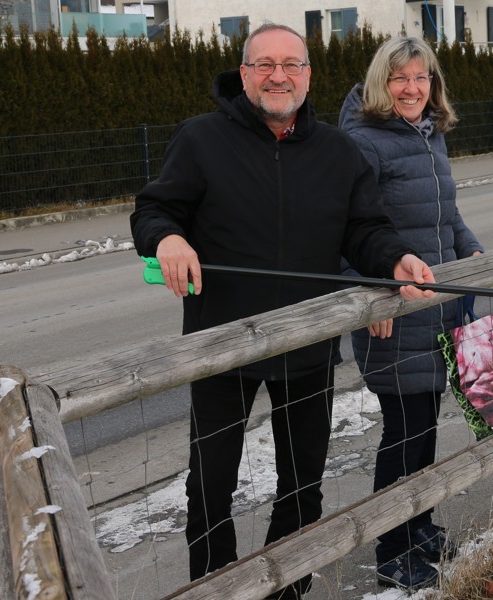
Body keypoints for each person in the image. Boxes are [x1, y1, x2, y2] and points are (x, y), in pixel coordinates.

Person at [129, 23, 436, 599]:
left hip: (308, 344)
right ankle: (217, 588)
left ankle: (286, 588)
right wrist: (166, 239)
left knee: (302, 483)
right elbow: (153, 210)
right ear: (244, 75)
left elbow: (366, 229)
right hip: (221, 345)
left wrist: (395, 259)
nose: (279, 76)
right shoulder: (200, 140)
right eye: (265, 65)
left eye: (291, 64)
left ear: (308, 75)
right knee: (211, 486)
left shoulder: (337, 151)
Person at [338, 36, 484, 591]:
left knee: (425, 427)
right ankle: (392, 549)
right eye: (400, 78)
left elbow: (445, 212)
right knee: (403, 432)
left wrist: (469, 247)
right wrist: (371, 296)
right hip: (395, 311)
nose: (411, 88)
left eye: (421, 78)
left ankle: (418, 524)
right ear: (382, 82)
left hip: (438, 304)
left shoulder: (428, 137)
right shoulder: (362, 143)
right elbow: (346, 231)